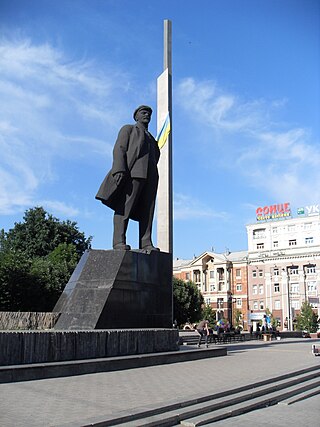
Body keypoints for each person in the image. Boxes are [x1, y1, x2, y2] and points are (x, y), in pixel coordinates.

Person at [96, 105, 160, 251]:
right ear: (136, 116)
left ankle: (146, 242)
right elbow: (119, 148)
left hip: (151, 177)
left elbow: (156, 156)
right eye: (143, 113)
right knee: (125, 207)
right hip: (134, 173)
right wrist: (119, 169)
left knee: (148, 212)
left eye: (149, 113)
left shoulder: (152, 138)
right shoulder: (128, 129)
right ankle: (119, 241)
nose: (147, 115)